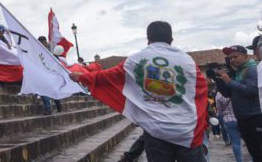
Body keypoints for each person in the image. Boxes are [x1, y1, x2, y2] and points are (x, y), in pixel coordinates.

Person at [69, 21, 207, 162]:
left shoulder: (136, 60)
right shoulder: (187, 61)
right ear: (171, 39)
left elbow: (107, 76)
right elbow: (201, 89)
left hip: (155, 132)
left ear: (148, 38)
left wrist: (83, 77)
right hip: (186, 131)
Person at [216, 45, 262, 161]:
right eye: (230, 58)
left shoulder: (252, 70)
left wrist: (230, 81)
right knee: (253, 152)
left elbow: (252, 90)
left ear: (245, 56)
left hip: (254, 117)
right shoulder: (238, 72)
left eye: (235, 57)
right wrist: (219, 81)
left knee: (259, 152)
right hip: (243, 118)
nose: (232, 60)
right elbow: (229, 94)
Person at [216, 90, 241, 162]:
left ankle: (239, 160)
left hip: (228, 120)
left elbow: (219, 110)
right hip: (240, 118)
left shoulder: (219, 94)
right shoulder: (235, 89)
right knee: (249, 140)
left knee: (235, 142)